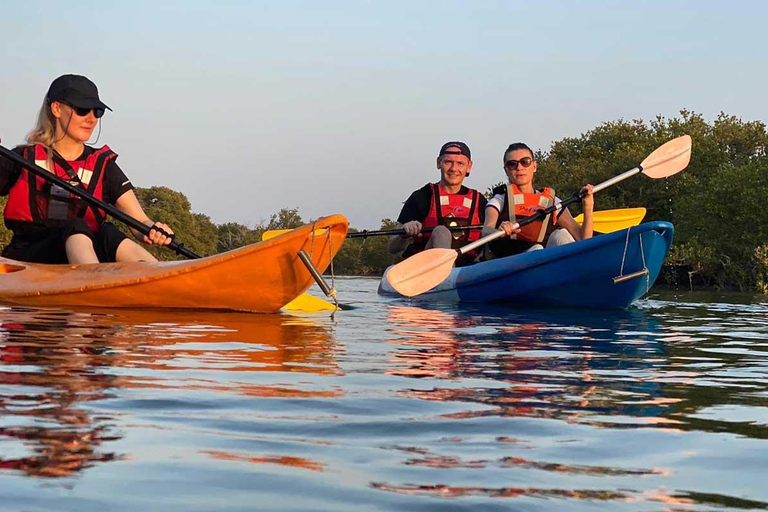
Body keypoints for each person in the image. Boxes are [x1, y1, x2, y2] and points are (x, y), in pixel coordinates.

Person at [0, 74, 174, 264]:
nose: (91, 119)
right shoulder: (21, 158)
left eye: (97, 112)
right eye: (82, 110)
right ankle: (93, 287)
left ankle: (163, 279)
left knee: (108, 234)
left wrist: (154, 230)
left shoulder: (104, 166)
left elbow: (140, 222)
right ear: (57, 108)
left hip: (84, 256)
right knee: (76, 229)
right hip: (28, 260)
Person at [483, 142, 594, 258]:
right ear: (506, 170)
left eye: (525, 162)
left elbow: (583, 240)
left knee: (561, 234)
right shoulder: (499, 200)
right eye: (512, 164)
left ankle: (576, 271)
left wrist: (588, 206)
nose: (519, 168)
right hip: (514, 259)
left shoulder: (552, 201)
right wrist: (499, 231)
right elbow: (486, 230)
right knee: (536, 249)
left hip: (544, 258)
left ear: (534, 166)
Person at [388, 141, 487, 266]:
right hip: (427, 268)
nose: (453, 169)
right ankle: (446, 273)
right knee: (441, 232)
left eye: (460, 163)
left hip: (466, 269)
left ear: (469, 166)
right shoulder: (422, 197)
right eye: (448, 162)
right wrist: (404, 232)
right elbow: (392, 247)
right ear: (438, 163)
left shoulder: (480, 201)